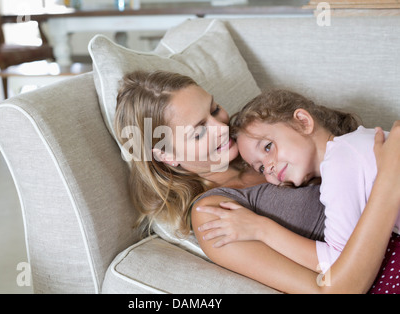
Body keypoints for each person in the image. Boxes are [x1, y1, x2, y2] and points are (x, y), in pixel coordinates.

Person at [114, 70, 400, 293]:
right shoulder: (213, 214)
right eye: (199, 132)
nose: (221, 128)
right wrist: (389, 182)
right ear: (166, 155)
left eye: (214, 110)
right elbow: (335, 289)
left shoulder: (259, 141)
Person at [195, 90, 400, 293]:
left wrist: (261, 229)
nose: (269, 167)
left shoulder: (340, 164)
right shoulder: (357, 142)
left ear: (303, 121)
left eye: (267, 147)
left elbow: (336, 262)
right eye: (261, 168)